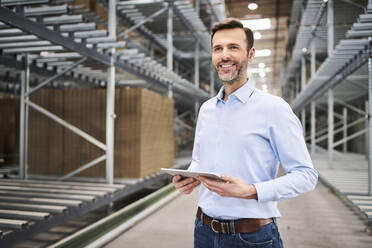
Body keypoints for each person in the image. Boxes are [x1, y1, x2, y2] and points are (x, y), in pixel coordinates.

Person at [172, 18, 318, 248]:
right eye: (217, 49)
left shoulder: (274, 108)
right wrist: (189, 177)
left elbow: (306, 175)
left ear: (250, 55)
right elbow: (200, 160)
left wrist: (250, 191)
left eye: (233, 47)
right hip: (203, 231)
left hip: (251, 237)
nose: (224, 55)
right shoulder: (207, 109)